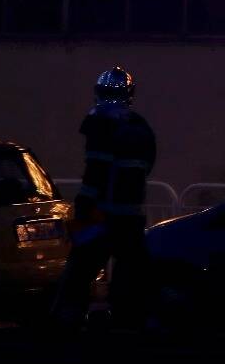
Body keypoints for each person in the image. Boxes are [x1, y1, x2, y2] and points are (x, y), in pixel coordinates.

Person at [53, 66, 157, 330]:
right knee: (130, 271)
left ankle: (67, 320)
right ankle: (129, 320)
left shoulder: (100, 124)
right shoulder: (140, 127)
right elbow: (146, 167)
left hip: (99, 213)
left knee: (79, 269)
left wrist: (83, 207)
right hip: (131, 216)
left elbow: (95, 173)